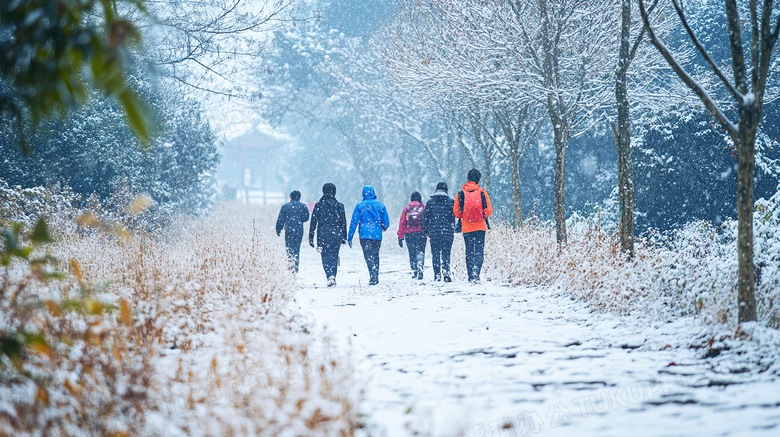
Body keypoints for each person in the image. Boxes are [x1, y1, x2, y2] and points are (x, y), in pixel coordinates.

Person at [453, 169, 492, 283]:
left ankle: (471, 275)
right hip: (480, 227)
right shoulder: (482, 193)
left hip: (466, 227)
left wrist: (465, 215)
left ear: (467, 179)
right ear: (479, 180)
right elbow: (488, 211)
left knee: (469, 251)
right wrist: (480, 215)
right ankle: (476, 273)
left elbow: (456, 212)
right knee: (479, 250)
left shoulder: (460, 193)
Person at [347, 185, 390, 286]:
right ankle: (375, 275)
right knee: (376, 254)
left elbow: (354, 222)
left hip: (364, 234)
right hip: (377, 235)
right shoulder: (380, 205)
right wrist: (383, 227)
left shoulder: (359, 206)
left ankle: (372, 272)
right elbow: (386, 222)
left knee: (368, 255)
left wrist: (350, 236)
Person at [309, 183, 348, 287]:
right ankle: (333, 276)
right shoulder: (339, 206)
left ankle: (329, 275)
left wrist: (311, 237)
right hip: (336, 234)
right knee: (334, 256)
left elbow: (313, 222)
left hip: (323, 234)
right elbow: (343, 222)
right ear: (334, 191)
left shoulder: (319, 205)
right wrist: (344, 237)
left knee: (325, 256)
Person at [422, 182, 456, 282]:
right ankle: (446, 272)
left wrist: (426, 230)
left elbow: (425, 218)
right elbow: (453, 217)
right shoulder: (451, 202)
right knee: (446, 254)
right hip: (447, 232)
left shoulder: (430, 202)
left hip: (434, 233)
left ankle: (437, 274)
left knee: (435, 254)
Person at [275, 190, 310, 273]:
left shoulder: (286, 206)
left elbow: (281, 219)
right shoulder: (303, 206)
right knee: (297, 248)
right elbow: (306, 218)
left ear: (290, 197)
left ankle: (290, 265)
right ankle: (295, 266)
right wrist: (299, 219)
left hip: (289, 230)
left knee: (289, 248)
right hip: (299, 230)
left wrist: (278, 229)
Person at [398, 191, 426, 279]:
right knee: (420, 251)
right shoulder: (423, 208)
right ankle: (420, 265)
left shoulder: (407, 209)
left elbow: (402, 223)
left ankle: (414, 270)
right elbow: (426, 221)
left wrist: (400, 237)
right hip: (421, 233)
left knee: (412, 252)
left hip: (409, 234)